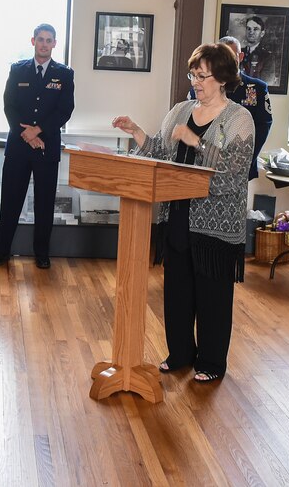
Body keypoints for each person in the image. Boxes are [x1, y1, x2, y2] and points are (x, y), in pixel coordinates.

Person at [112, 43, 254, 383]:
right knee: (177, 292)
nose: (196, 83)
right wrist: (137, 132)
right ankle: (180, 353)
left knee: (212, 297)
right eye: (193, 75)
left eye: (202, 76)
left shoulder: (239, 119)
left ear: (222, 78)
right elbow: (161, 152)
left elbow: (233, 175)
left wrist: (197, 142)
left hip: (216, 226)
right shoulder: (180, 110)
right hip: (176, 216)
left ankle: (211, 363)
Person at [0, 24, 75, 269]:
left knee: (44, 203)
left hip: (47, 148)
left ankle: (42, 254)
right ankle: (1, 251)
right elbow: (9, 105)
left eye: (49, 40)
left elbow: (65, 110)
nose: (44, 44)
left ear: (54, 44)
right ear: (33, 41)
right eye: (40, 39)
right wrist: (26, 134)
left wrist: (37, 131)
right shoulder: (18, 70)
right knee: (10, 201)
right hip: (18, 147)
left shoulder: (64, 74)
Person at [189, 36, 272, 179]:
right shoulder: (200, 88)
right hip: (201, 164)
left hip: (238, 162)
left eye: (231, 55)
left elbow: (263, 127)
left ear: (240, 56)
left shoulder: (256, 88)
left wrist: (245, 158)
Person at [241, 15, 277, 83]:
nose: (251, 32)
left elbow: (265, 84)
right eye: (248, 29)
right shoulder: (239, 52)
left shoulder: (267, 56)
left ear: (262, 33)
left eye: (255, 29)